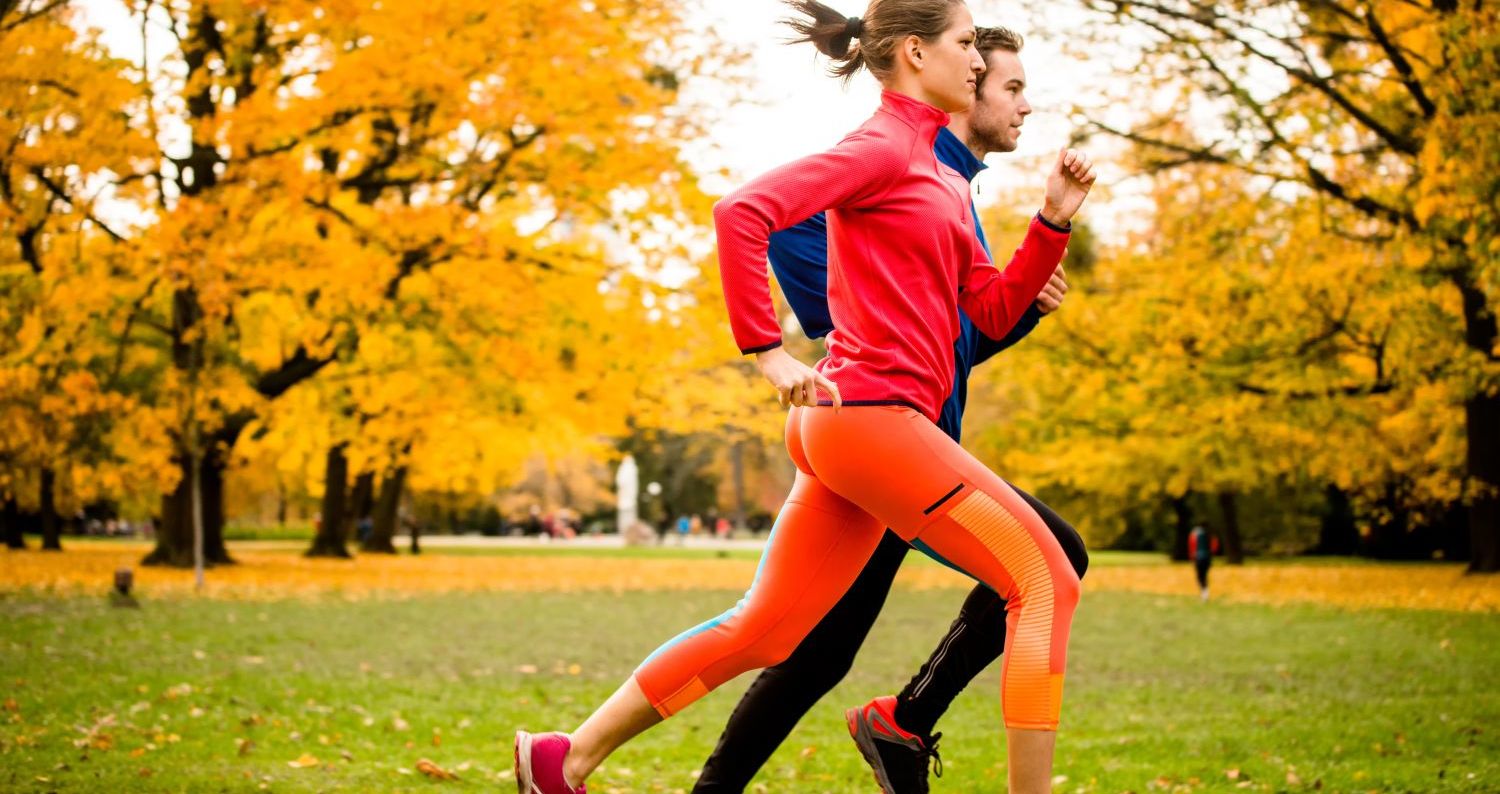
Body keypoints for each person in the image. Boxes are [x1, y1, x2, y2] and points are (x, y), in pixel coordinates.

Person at [514, 2, 1096, 792]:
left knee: (767, 631)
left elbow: (989, 310)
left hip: (858, 431)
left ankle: (565, 757)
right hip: (871, 422)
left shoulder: (942, 175)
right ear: (919, 53)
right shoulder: (882, 146)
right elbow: (744, 213)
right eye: (966, 44)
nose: (976, 61)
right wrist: (767, 351)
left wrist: (1052, 222)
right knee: (1045, 577)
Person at [692, 25, 1088, 794]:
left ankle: (898, 724)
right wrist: (818, 345)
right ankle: (900, 724)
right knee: (1047, 565)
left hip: (918, 444)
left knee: (812, 650)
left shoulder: (951, 187)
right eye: (1005, 83)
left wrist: (1029, 281)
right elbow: (776, 228)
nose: (1022, 103)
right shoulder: (892, 161)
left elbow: (956, 340)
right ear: (959, 81)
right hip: (877, 440)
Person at [1188, 524, 1219, 601]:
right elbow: (1214, 547)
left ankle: (1204, 593)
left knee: (1200, 576)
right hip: (1207, 558)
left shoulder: (1194, 535)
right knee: (1204, 576)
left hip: (1198, 558)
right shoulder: (1210, 535)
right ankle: (1205, 593)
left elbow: (1191, 547)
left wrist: (1192, 557)